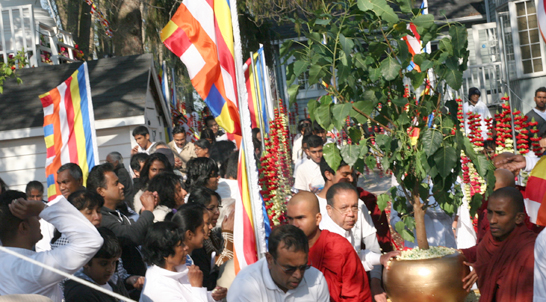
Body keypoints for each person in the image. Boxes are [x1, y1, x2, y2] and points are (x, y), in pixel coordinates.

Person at [0, 191, 103, 301]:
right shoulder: (33, 267)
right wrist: (42, 208)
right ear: (24, 227)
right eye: (35, 216)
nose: (40, 219)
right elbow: (91, 240)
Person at [286, 191, 372, 302]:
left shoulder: (338, 248)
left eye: (300, 218)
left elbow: (356, 296)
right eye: (290, 219)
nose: (294, 225)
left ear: (318, 219)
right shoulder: (285, 251)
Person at [320, 182, 397, 302]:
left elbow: (354, 257)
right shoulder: (327, 238)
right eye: (344, 208)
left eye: (354, 207)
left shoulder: (342, 227)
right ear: (329, 209)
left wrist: (381, 258)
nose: (351, 214)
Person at [462, 187, 536, 301]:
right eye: (490, 212)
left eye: (500, 214)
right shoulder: (488, 241)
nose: (492, 220)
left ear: (519, 218)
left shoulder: (530, 250)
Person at [227, 224, 329, 301]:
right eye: (289, 269)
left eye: (303, 267)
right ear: (270, 260)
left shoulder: (316, 280)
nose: (298, 275)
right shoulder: (246, 285)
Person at [87, 163, 155, 277]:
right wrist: (148, 210)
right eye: (116, 183)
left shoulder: (118, 213)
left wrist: (144, 213)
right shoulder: (101, 220)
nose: (122, 186)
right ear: (101, 191)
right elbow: (132, 235)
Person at [140, 220, 225, 302]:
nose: (186, 248)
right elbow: (196, 294)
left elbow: (192, 297)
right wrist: (197, 287)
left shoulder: (178, 268)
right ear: (165, 253)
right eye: (181, 245)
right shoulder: (159, 290)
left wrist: (213, 297)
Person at [64, 227, 129, 302]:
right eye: (104, 264)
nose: (110, 269)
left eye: (114, 262)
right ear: (86, 261)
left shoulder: (113, 282)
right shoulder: (80, 293)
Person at [188, 187, 223, 290]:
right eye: (212, 208)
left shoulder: (213, 235)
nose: (217, 212)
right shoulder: (196, 245)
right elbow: (207, 283)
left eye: (218, 207)